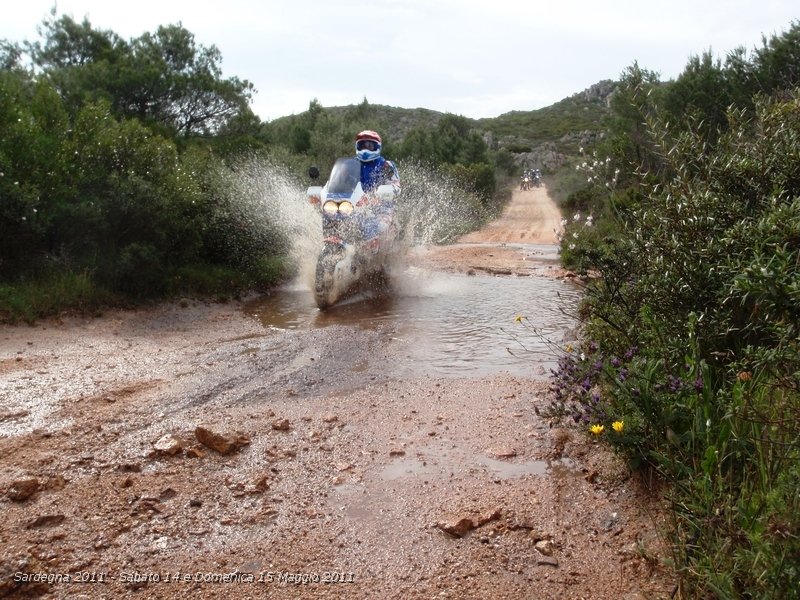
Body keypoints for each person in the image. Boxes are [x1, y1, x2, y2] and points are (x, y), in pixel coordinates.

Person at [355, 130, 401, 195]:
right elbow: (341, 182)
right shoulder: (352, 164)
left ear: (377, 147)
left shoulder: (385, 165)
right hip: (354, 200)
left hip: (380, 202)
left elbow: (396, 187)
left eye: (369, 146)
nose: (365, 149)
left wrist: (383, 191)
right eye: (362, 146)